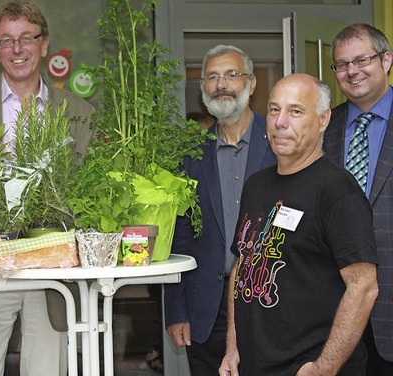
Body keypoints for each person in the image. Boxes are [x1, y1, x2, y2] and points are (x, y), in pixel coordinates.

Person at [0, 1, 94, 375]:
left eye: (26, 38)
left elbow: (87, 189)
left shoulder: (79, 111)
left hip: (51, 264)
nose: (17, 49)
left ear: (44, 44)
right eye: (6, 41)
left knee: (45, 368)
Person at [219, 73, 379, 376]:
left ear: (322, 119)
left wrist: (323, 369)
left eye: (295, 111)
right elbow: (243, 266)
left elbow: (364, 288)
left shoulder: (337, 192)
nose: (280, 122)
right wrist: (233, 347)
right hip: (253, 365)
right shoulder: (256, 185)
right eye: (275, 109)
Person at [163, 45, 276, 375]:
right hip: (207, 310)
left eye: (231, 74)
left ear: (251, 83)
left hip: (270, 299)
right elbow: (179, 237)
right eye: (211, 77)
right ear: (202, 89)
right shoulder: (191, 156)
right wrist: (176, 310)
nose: (220, 84)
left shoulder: (279, 143)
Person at [323, 23, 393, 375]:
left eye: (361, 59)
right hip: (333, 312)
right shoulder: (322, 129)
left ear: (386, 60)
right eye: (341, 64)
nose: (352, 71)